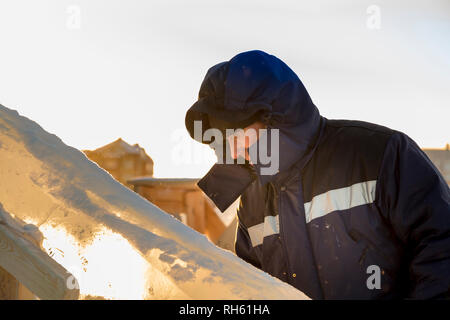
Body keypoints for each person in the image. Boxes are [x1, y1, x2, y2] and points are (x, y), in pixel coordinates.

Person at [185, 50, 450, 299]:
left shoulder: (377, 154)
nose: (234, 147)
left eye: (239, 130)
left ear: (273, 116)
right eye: (225, 137)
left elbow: (441, 245)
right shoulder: (251, 202)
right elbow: (253, 288)